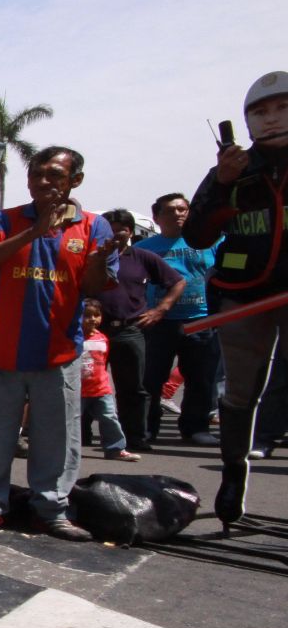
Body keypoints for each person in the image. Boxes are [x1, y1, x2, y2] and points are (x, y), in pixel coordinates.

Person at [0, 147, 116, 540]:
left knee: (58, 438)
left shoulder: (95, 227)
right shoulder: (3, 220)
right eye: (37, 174)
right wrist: (34, 231)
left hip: (58, 353)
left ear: (75, 180)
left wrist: (98, 262)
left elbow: (96, 286)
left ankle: (51, 510)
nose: (43, 181)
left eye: (54, 175)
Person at [184, 70, 288, 526]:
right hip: (244, 294)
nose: (271, 119)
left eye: (282, 108)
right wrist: (224, 184)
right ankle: (233, 476)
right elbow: (197, 234)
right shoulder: (233, 170)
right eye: (260, 112)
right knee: (240, 391)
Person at [137, 191, 222, 448]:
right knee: (151, 379)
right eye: (170, 211)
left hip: (201, 319)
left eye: (183, 210)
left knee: (201, 378)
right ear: (157, 217)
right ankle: (147, 429)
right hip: (159, 322)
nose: (178, 214)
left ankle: (195, 428)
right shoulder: (142, 249)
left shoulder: (213, 243)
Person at [95, 208, 184, 450]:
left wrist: (161, 309)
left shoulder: (142, 258)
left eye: (121, 230)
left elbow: (177, 282)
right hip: (93, 331)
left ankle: (134, 438)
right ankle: (81, 438)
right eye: (109, 231)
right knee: (86, 386)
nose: (115, 236)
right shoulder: (92, 257)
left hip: (130, 329)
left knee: (133, 388)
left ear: (130, 232)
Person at [79, 299, 139, 461]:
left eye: (96, 315)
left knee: (109, 417)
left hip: (101, 389)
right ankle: (65, 449)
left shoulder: (102, 338)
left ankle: (115, 448)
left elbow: (103, 363)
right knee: (71, 421)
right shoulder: (74, 338)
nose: (92, 319)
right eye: (87, 316)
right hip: (77, 390)